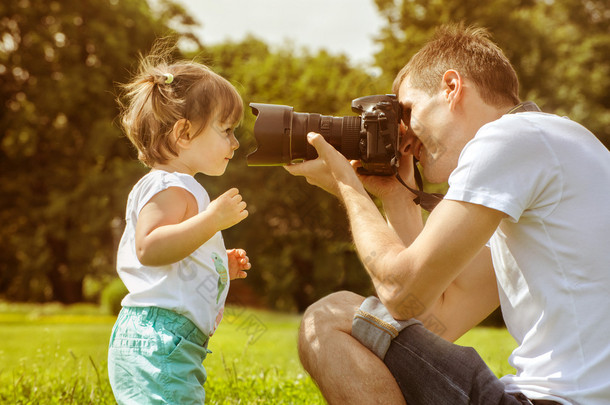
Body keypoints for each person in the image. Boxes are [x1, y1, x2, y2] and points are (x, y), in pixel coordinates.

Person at [285, 23, 610, 405]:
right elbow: (429, 317)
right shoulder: (555, 148)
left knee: (329, 317)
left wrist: (348, 188)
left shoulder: (508, 138)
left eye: (407, 110)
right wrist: (394, 195)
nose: (404, 136)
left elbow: (399, 292)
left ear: (451, 88)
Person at [107, 44, 251, 404]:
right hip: (159, 339)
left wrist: (217, 267)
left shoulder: (179, 186)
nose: (235, 142)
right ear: (184, 133)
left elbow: (174, 256)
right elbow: (150, 248)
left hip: (166, 340)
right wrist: (212, 221)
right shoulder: (170, 185)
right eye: (227, 130)